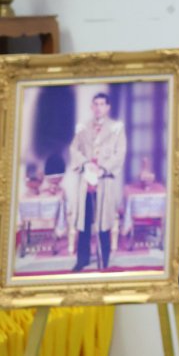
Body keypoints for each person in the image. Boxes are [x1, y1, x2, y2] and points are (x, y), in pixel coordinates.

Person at [68, 92, 126, 271]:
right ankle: (82, 259)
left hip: (104, 181)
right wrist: (85, 164)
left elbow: (119, 153)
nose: (98, 108)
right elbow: (74, 149)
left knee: (103, 222)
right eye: (96, 104)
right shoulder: (83, 128)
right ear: (92, 107)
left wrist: (103, 168)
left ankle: (103, 258)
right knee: (84, 223)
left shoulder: (116, 128)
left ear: (107, 107)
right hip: (86, 182)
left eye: (102, 104)